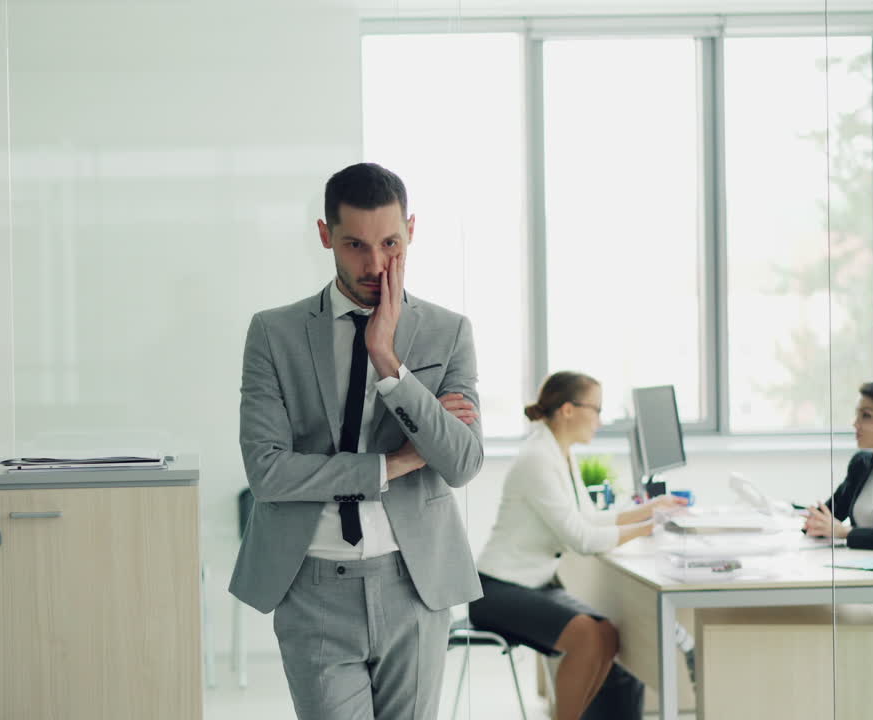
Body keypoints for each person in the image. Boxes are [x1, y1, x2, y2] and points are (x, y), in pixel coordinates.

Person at [228, 162, 484, 720]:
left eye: (391, 243)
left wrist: (389, 364)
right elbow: (268, 473)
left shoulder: (449, 332)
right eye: (355, 245)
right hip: (313, 586)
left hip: (414, 586)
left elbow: (462, 462)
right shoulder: (275, 333)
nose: (375, 265)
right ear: (325, 237)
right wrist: (389, 466)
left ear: (411, 230)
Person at [469, 371, 686, 720]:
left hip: (534, 582)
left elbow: (590, 517)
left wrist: (648, 511)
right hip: (497, 589)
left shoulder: (560, 454)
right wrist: (648, 527)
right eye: (596, 410)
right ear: (568, 410)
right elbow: (581, 539)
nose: (600, 420)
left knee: (608, 635)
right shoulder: (538, 459)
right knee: (586, 637)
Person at [804, 378, 873, 618]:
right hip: (860, 577)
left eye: (866, 416)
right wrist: (812, 520)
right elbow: (830, 513)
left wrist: (846, 533)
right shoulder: (862, 464)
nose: (856, 424)